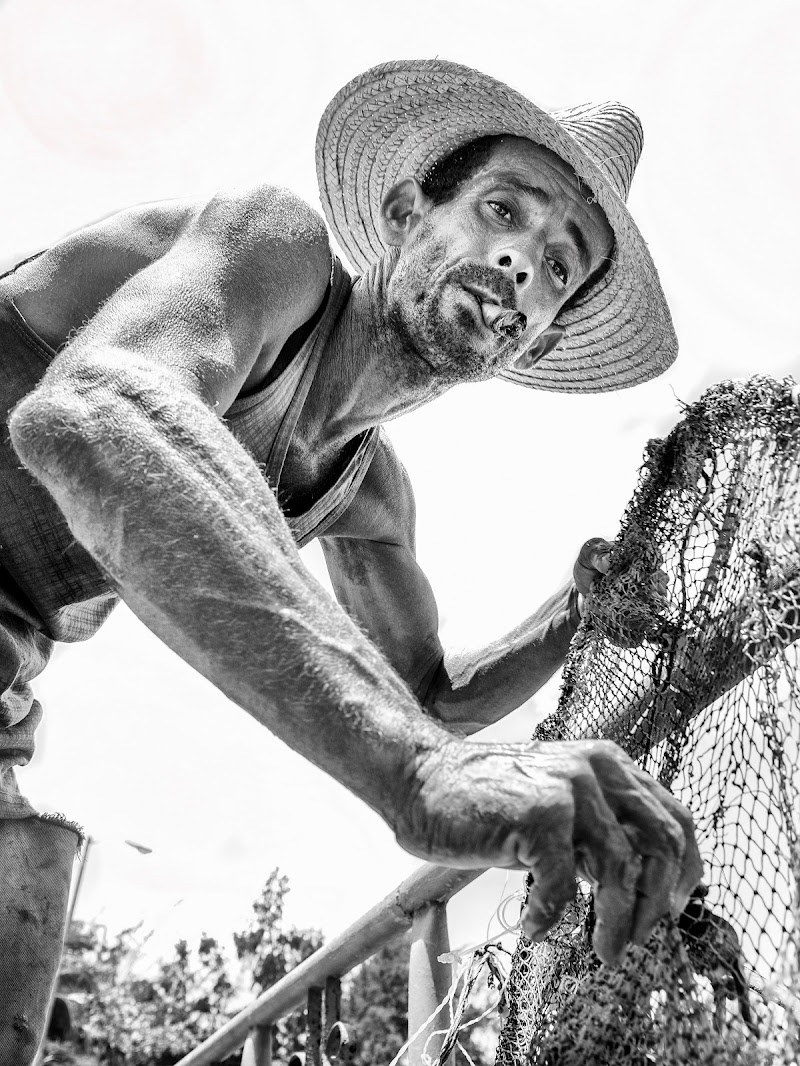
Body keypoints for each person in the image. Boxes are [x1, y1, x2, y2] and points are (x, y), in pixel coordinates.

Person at [0, 59, 702, 1065]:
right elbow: (94, 412)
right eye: (502, 211)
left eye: (556, 268)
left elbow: (426, 697)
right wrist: (415, 772)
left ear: (538, 343)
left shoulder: (368, 497)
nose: (519, 265)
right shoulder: (271, 252)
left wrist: (574, 609)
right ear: (404, 209)